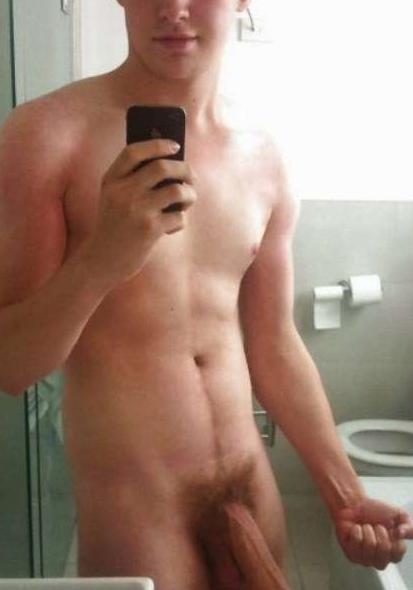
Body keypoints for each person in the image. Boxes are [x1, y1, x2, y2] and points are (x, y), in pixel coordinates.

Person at [0, 1, 412, 588]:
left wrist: (344, 494)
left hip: (251, 492)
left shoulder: (263, 154)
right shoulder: (46, 134)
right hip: (138, 512)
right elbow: (13, 365)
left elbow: (274, 343)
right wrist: (101, 260)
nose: (174, 9)